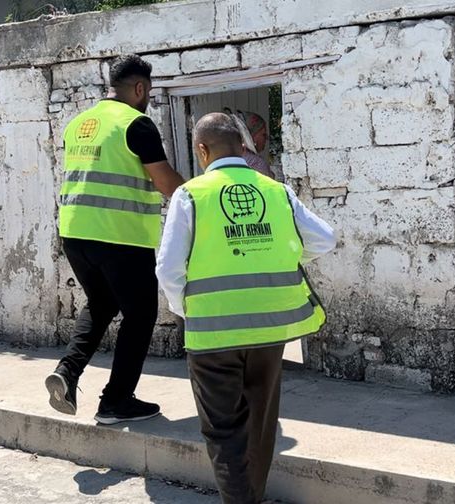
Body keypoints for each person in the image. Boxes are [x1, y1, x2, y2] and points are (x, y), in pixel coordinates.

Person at [156, 113, 335, 503]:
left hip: (213, 333)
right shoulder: (277, 192)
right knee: (260, 424)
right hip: (270, 328)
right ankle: (252, 495)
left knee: (224, 430)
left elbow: (168, 268)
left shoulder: (191, 194)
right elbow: (325, 239)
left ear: (202, 150)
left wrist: (185, 309)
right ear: (242, 146)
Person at [46, 54, 184, 425]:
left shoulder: (79, 123)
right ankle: (116, 401)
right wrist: (203, 196)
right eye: (149, 93)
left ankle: (67, 372)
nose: (149, 100)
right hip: (119, 235)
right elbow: (166, 183)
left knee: (102, 303)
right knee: (141, 315)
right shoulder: (136, 124)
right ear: (139, 88)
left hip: (75, 234)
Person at [232, 110, 275, 179]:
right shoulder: (257, 163)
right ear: (252, 136)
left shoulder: (225, 158)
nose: (266, 138)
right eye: (263, 134)